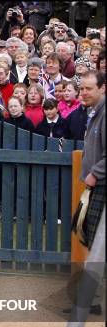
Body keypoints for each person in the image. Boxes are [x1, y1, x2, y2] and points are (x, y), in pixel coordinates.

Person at [79, 71, 105, 250]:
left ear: (103, 88)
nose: (83, 93)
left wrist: (95, 173)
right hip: (99, 184)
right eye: (81, 88)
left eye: (89, 88)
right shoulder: (94, 111)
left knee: (97, 240)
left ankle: (91, 279)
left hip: (102, 183)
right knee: (94, 237)